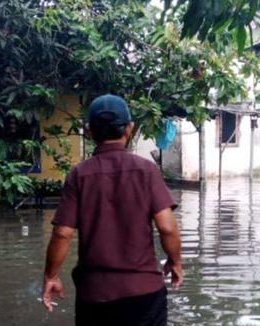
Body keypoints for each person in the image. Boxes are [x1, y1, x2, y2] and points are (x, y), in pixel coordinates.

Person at [41, 94, 183, 326]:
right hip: (144, 293)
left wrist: (51, 276)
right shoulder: (146, 170)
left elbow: (62, 234)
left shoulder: (79, 175)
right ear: (129, 128)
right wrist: (175, 262)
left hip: (96, 296)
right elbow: (167, 227)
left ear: (88, 131)